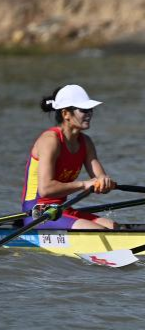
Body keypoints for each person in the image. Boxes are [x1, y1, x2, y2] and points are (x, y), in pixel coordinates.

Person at [21, 85, 116, 230]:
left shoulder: (86, 142)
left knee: (113, 227)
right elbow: (46, 189)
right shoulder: (50, 140)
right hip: (37, 212)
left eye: (91, 109)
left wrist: (105, 183)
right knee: (98, 231)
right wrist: (84, 184)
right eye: (84, 110)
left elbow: (99, 178)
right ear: (66, 114)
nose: (89, 114)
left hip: (60, 209)